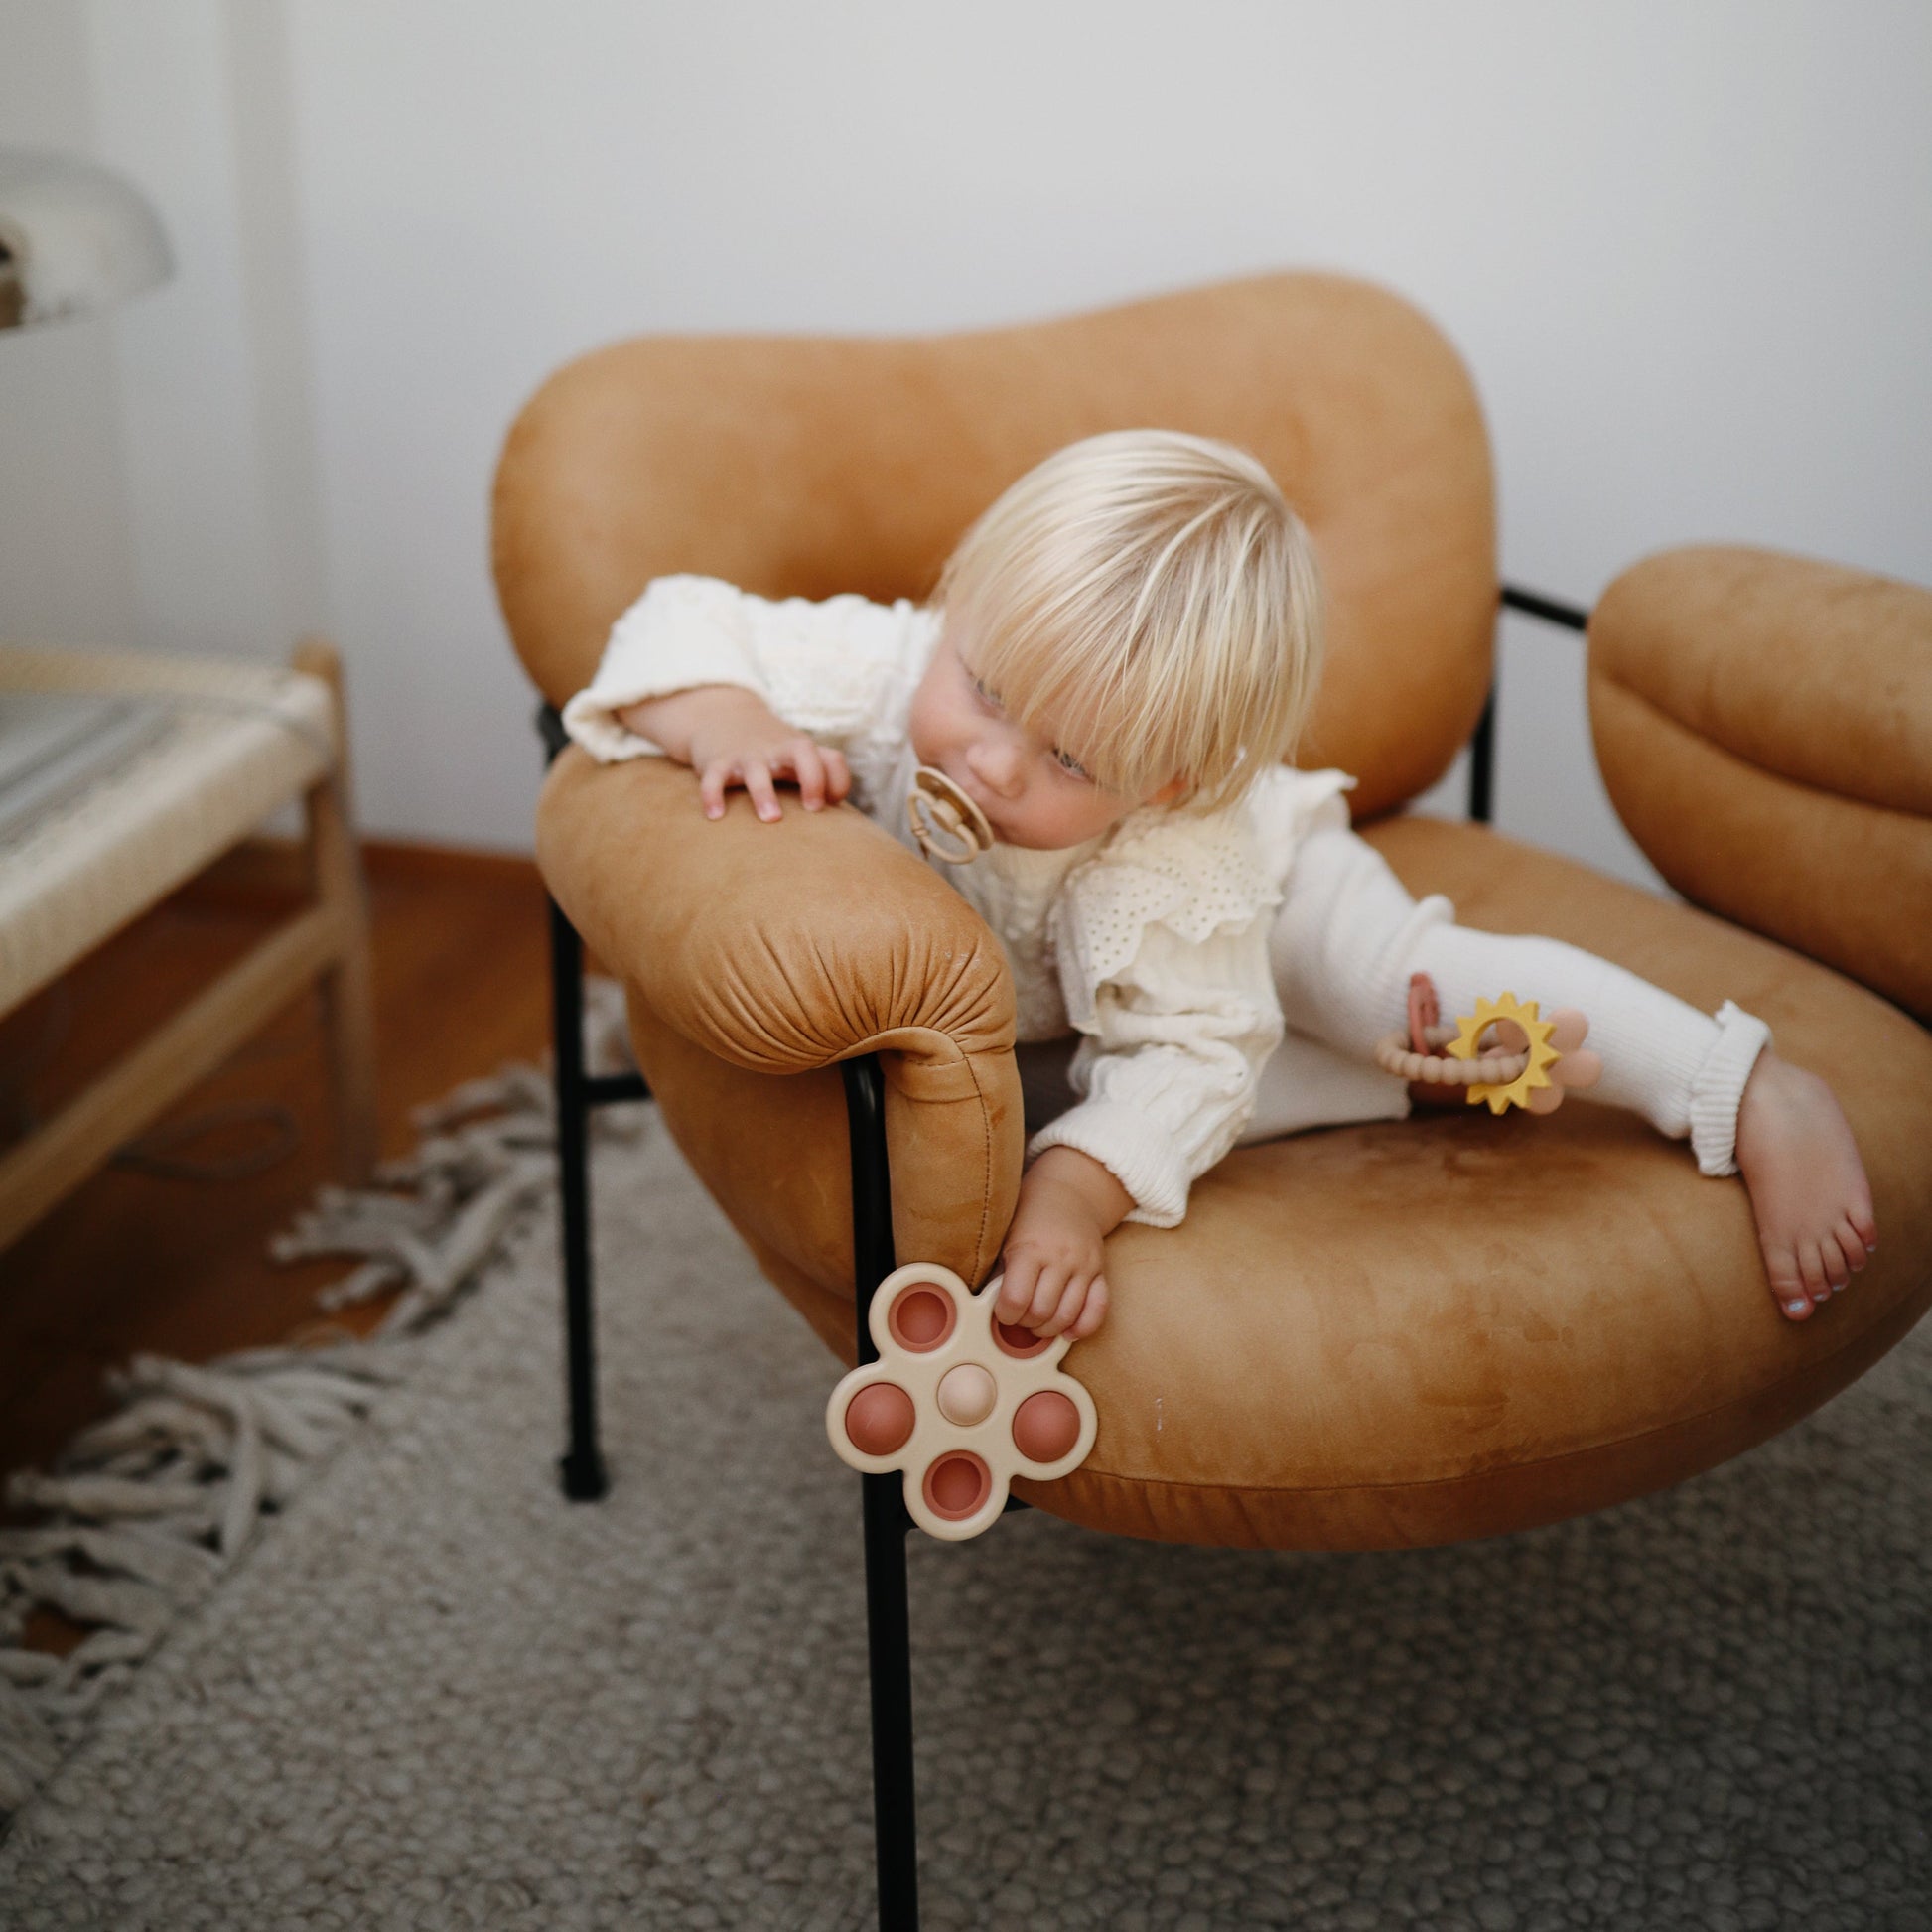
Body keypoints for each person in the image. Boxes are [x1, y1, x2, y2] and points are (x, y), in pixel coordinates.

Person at [562, 430, 1876, 1341]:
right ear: (958, 603)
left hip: (1269, 884)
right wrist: (726, 720)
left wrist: (1077, 1198)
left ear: (1170, 778)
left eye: (1066, 757)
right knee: (1029, 1098)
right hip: (1061, 992)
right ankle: (1400, 1083)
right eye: (985, 687)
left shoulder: (1172, 849)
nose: (991, 755)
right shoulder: (890, 669)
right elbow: (672, 618)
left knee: (1387, 988)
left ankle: (1742, 1083)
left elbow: (1192, 1046)